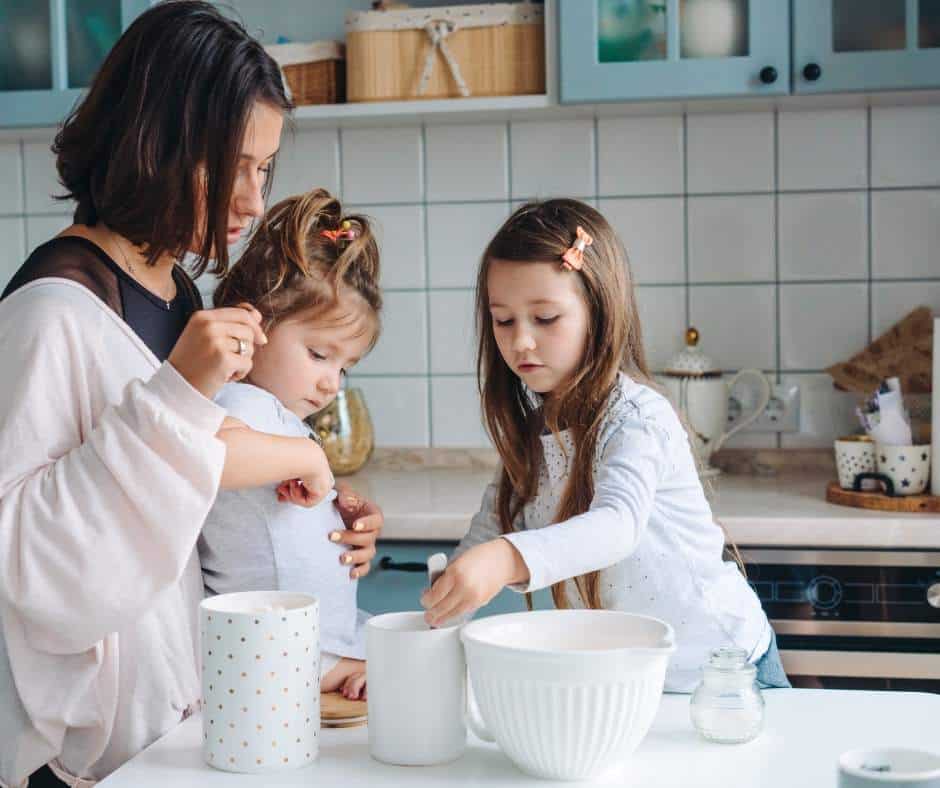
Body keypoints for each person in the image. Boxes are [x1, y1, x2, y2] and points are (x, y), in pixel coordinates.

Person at [0, 4, 382, 786]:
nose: (250, 201)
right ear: (155, 146)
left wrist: (315, 514)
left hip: (179, 729)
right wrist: (179, 394)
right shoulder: (50, 312)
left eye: (264, 168)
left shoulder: (180, 293)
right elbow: (20, 565)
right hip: (81, 757)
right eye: (229, 165)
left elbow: (191, 493)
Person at [421, 199, 790, 692]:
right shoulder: (534, 434)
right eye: (504, 321)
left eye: (546, 318)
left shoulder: (637, 418)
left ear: (598, 313)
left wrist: (507, 559)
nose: (521, 342)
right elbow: (487, 537)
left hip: (723, 671)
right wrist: (433, 619)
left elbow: (616, 526)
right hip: (631, 680)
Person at [201, 189, 383, 701]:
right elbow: (209, 455)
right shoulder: (238, 398)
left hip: (302, 642)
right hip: (272, 653)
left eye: (344, 367)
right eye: (319, 354)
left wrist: (337, 513)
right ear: (255, 323)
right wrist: (308, 459)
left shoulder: (277, 416)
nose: (332, 384)